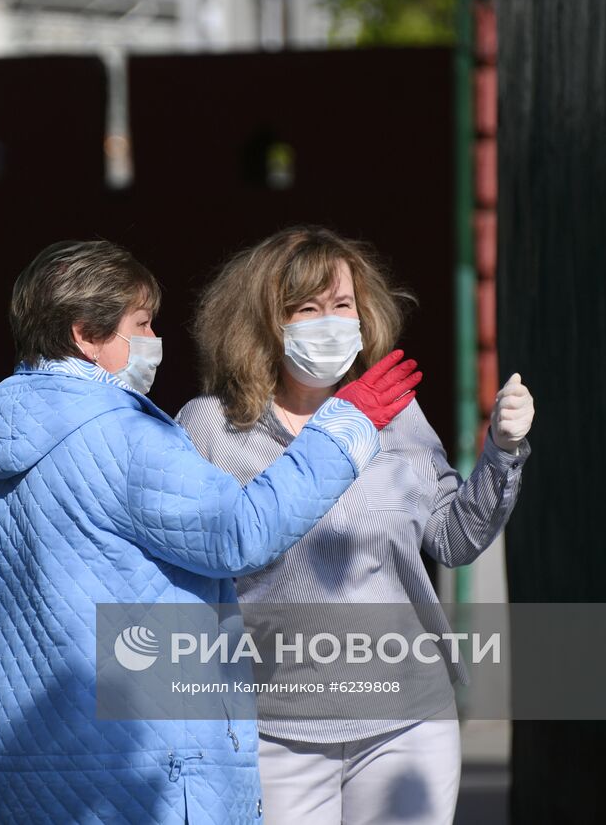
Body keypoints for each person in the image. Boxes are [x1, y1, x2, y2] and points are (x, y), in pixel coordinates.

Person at [0, 239, 422, 823]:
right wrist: (344, 430)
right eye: (142, 322)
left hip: (12, 772)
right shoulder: (127, 437)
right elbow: (242, 533)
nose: (154, 340)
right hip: (150, 772)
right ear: (85, 333)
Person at [176, 226, 535, 825]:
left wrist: (501, 450)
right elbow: (188, 560)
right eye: (307, 308)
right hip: (275, 725)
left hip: (407, 717)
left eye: (342, 305)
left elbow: (452, 537)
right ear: (266, 322)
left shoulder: (396, 414)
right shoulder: (211, 427)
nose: (330, 321)